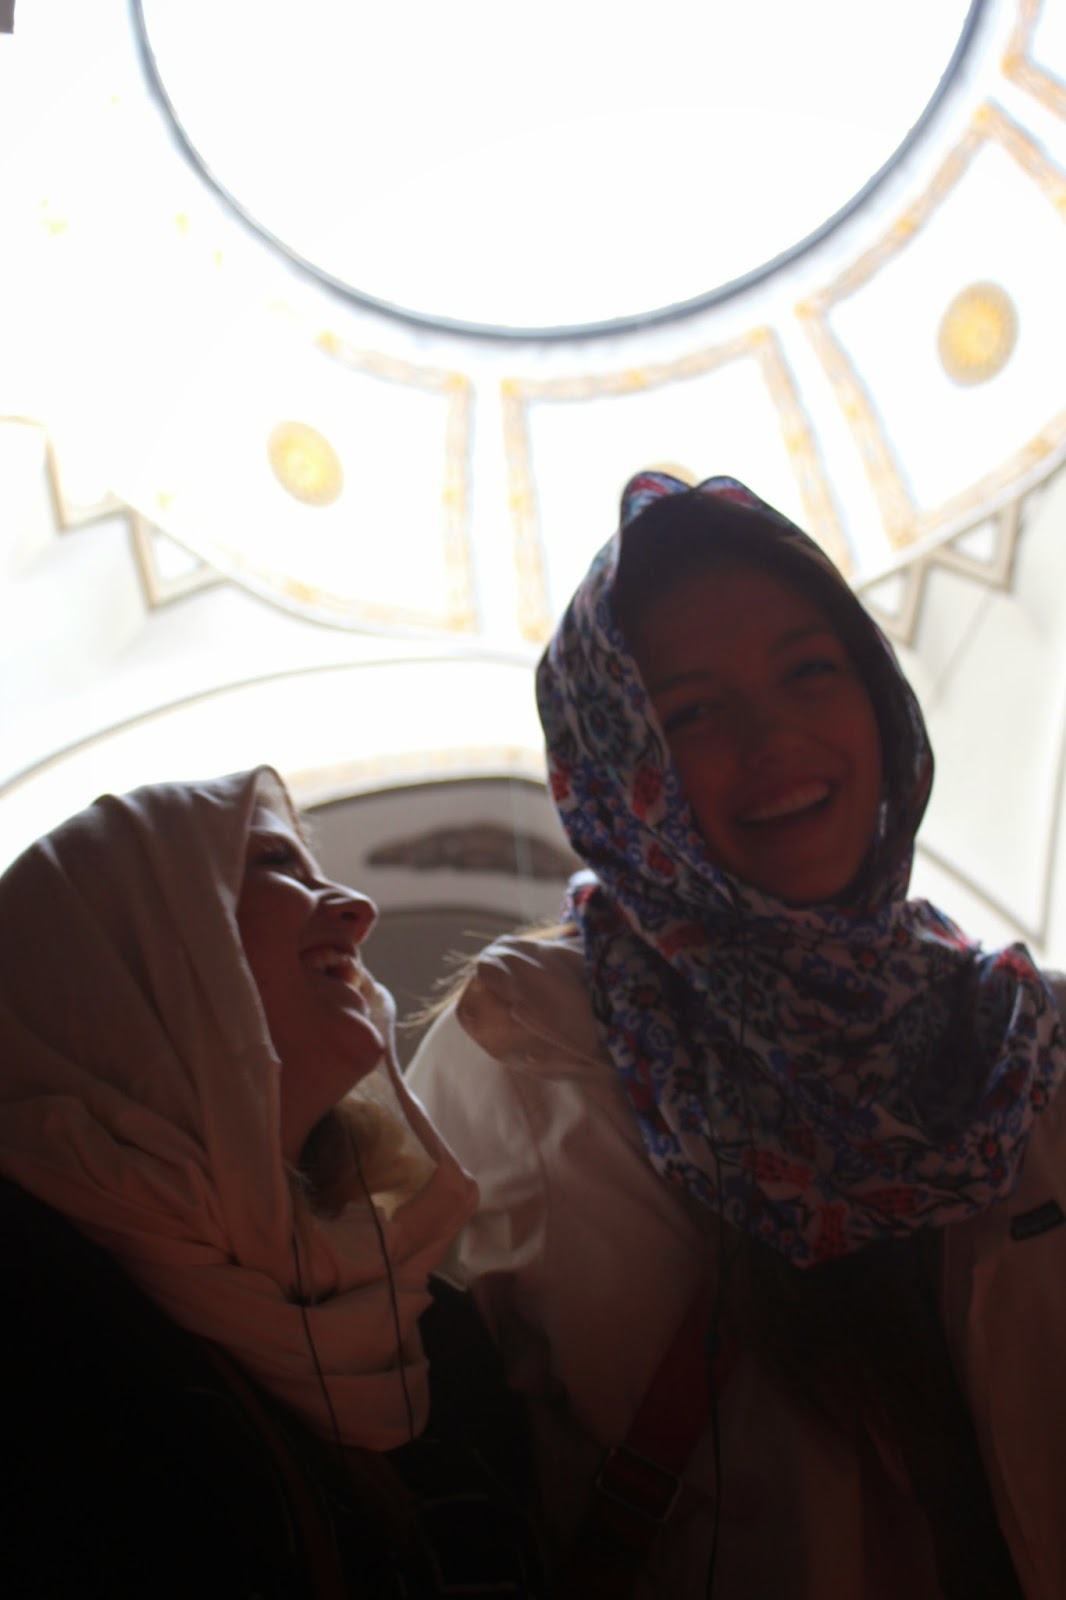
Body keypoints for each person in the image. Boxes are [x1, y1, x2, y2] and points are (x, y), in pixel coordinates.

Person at [407, 471, 1066, 1600]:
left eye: (811, 671)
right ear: (620, 765)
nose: (775, 738)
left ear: (879, 695)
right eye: (690, 714)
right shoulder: (528, 1046)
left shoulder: (1019, 1043)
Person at [0, 766, 544, 1598]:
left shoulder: (429, 1325)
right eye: (278, 864)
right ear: (130, 957)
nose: (357, 910)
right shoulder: (34, 1315)